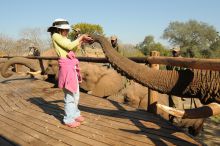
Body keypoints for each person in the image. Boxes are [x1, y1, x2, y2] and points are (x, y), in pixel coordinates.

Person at [47, 18, 93, 128]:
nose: (67, 31)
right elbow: (69, 46)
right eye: (65, 29)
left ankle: (75, 114)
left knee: (76, 93)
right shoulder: (56, 36)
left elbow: (73, 49)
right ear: (58, 29)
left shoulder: (65, 38)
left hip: (71, 66)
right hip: (67, 68)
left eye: (67, 29)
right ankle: (68, 119)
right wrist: (80, 37)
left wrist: (81, 40)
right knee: (70, 95)